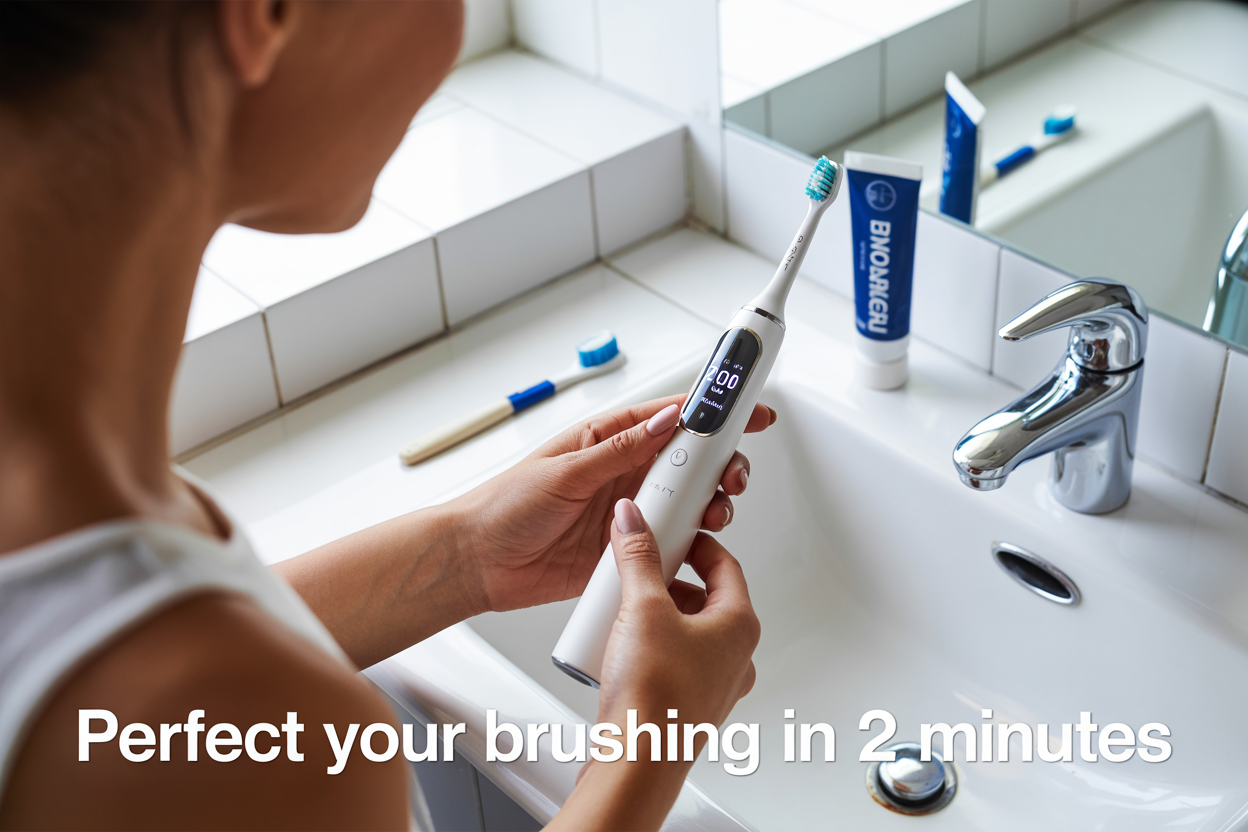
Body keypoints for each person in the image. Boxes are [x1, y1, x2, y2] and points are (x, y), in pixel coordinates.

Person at [0, 2, 766, 829]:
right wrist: (646, 750)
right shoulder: (264, 731)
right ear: (265, 16)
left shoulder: (62, 481)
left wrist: (469, 555)